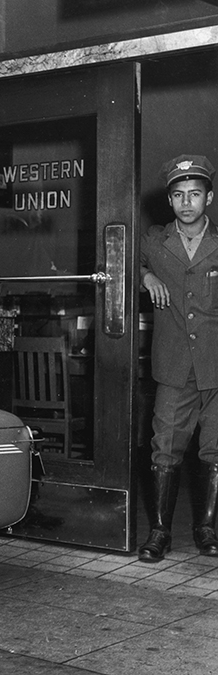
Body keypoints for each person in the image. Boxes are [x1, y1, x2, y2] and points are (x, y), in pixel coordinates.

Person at [138, 154, 218, 562]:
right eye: (179, 195)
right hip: (172, 365)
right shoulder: (154, 240)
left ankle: (206, 528)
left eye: (195, 194)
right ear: (170, 201)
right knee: (165, 446)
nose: (187, 202)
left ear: (208, 197)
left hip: (216, 366)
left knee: (215, 448)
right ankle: (160, 532)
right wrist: (145, 275)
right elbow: (114, 262)